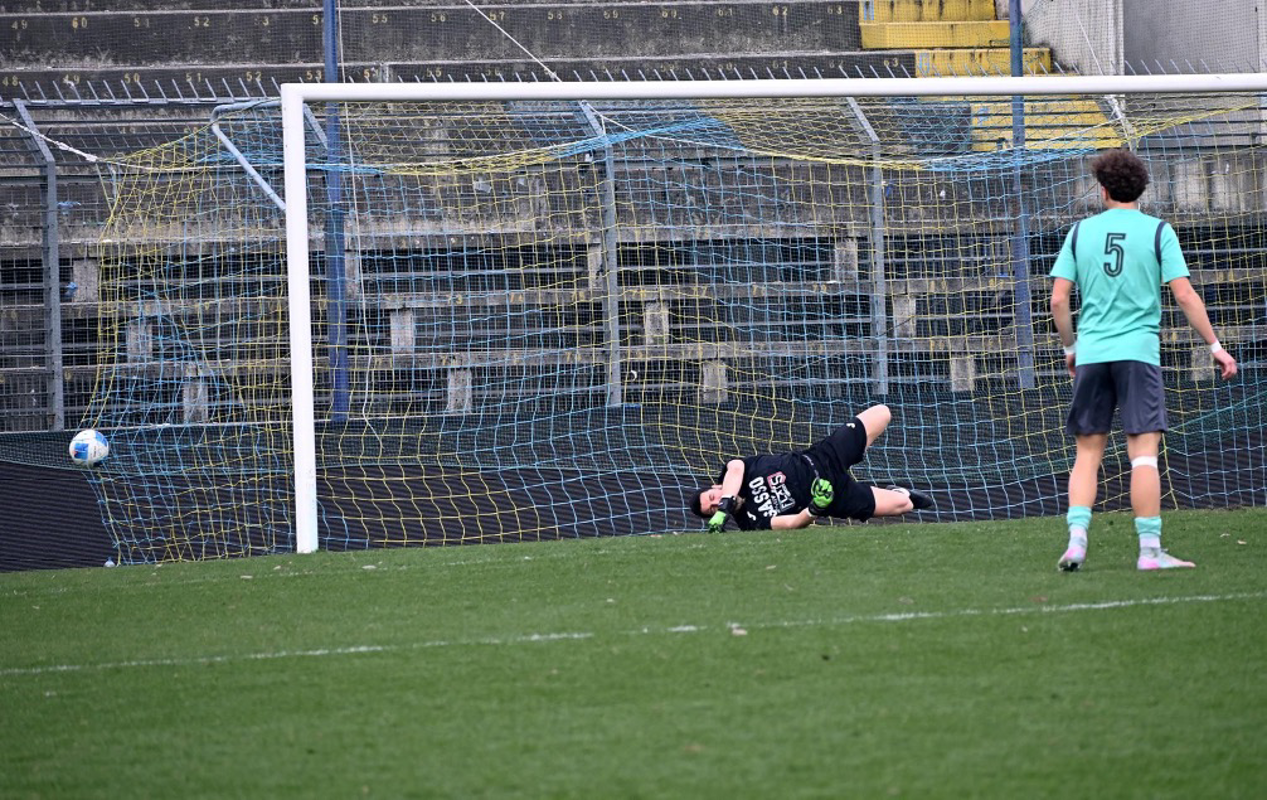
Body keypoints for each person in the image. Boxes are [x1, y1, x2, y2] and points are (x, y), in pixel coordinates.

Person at [1049, 148, 1237, 572]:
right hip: (1138, 354)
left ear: (1102, 190)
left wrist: (1071, 349)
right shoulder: (1158, 231)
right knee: (1145, 456)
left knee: (1087, 455)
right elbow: (1185, 294)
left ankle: (1077, 543)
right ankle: (1150, 552)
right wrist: (1214, 346)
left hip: (1093, 354)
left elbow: (1058, 299)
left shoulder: (1080, 233)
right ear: (1142, 190)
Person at [688, 404, 933, 532]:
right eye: (711, 509)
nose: (715, 503)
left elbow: (735, 469)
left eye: (712, 497)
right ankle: (899, 492)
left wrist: (724, 504)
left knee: (882, 413)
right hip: (832, 498)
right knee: (905, 505)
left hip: (822, 458)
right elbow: (792, 523)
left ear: (716, 487)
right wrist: (816, 508)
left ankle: (858, 449)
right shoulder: (749, 522)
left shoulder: (733, 472)